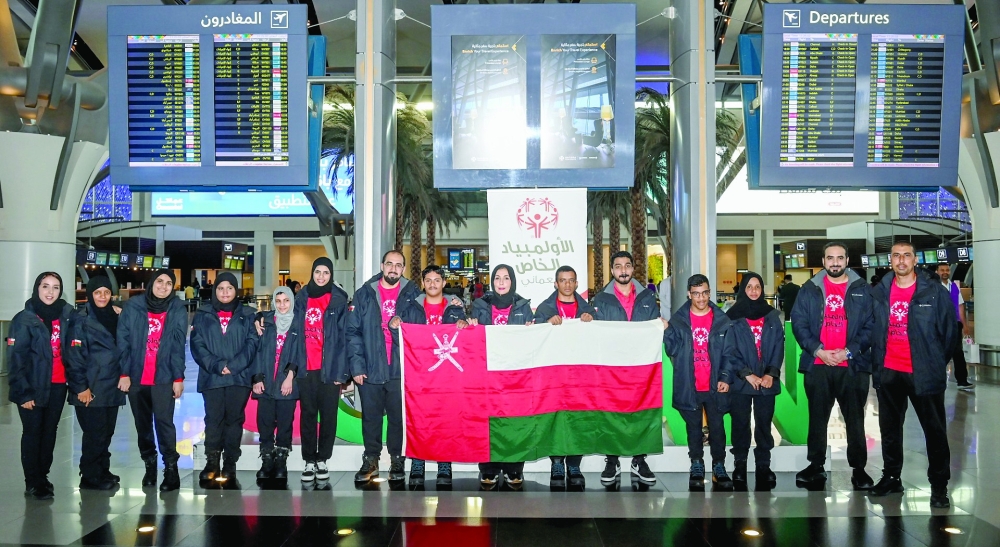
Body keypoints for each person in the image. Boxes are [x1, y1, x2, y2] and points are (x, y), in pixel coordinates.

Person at [869, 241, 956, 508]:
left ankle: (939, 486)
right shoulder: (880, 292)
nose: (901, 260)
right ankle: (892, 477)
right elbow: (873, 328)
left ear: (915, 260)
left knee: (935, 431)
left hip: (923, 374)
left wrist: (934, 363)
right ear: (890, 261)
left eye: (906, 255)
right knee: (890, 430)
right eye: (896, 256)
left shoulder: (933, 292)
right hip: (890, 372)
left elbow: (949, 332)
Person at [790, 242, 874, 490]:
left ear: (847, 260)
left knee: (855, 419)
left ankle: (859, 470)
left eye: (840, 258)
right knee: (817, 419)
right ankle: (816, 466)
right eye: (830, 258)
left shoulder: (863, 290)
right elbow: (799, 323)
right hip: (818, 364)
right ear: (824, 261)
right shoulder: (809, 290)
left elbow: (871, 325)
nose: (835, 262)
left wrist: (849, 351)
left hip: (853, 366)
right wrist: (819, 350)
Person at [348, 250, 420, 484]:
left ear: (403, 269)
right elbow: (353, 332)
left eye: (398, 265)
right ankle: (371, 459)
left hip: (400, 369)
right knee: (371, 417)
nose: (393, 268)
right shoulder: (364, 294)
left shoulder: (413, 294)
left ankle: (397, 459)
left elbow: (423, 327)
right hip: (370, 367)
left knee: (398, 418)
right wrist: (357, 366)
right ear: (382, 265)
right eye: (389, 264)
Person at [397, 264, 469, 488]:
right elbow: (401, 331)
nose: (432, 284)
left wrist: (464, 325)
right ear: (423, 283)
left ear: (444, 283)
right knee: (419, 417)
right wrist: (394, 325)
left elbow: (466, 339)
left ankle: (443, 463)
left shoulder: (456, 308)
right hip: (418, 374)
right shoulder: (412, 307)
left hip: (446, 377)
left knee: (444, 418)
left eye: (437, 280)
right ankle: (418, 462)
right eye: (428, 280)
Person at [662, 274, 736, 491]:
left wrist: (725, 377)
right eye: (696, 294)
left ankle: (719, 466)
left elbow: (730, 353)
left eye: (704, 293)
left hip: (714, 384)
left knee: (717, 428)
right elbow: (672, 350)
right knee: (693, 428)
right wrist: (667, 332)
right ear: (689, 294)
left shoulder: (722, 320)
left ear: (709, 292)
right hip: (690, 384)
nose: (701, 298)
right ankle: (696, 464)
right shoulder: (679, 320)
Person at [118, 269, 188, 492]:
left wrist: (178, 377)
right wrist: (124, 373)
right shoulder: (134, 307)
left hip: (163, 377)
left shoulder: (176, 308)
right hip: (137, 377)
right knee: (142, 425)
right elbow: (123, 341)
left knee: (165, 423)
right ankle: (149, 464)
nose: (163, 286)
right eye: (159, 281)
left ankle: (170, 467)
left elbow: (178, 346)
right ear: (151, 283)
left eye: (169, 283)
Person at [593, 251, 659, 486]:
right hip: (612, 368)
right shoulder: (600, 300)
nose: (623, 271)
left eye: (627, 266)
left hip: (641, 368)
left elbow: (654, 329)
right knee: (612, 411)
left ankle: (639, 459)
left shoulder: (648, 298)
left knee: (641, 410)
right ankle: (612, 460)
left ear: (633, 269)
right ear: (612, 270)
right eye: (618, 266)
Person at [8, 272, 75, 500]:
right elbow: (16, 359)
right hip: (32, 387)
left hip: (58, 385)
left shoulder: (66, 315)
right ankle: (32, 481)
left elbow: (90, 321)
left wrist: (116, 310)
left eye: (56, 287)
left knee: (50, 432)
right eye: (45, 286)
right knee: (33, 432)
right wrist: (23, 393)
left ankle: (43, 476)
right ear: (37, 288)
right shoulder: (24, 319)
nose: (50, 292)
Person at [282, 257, 350, 482]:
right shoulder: (301, 299)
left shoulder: (339, 301)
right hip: (306, 369)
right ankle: (309, 460)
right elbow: (287, 325)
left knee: (329, 416)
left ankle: (323, 459)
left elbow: (344, 339)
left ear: (331, 275)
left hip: (329, 369)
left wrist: (343, 374)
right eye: (318, 272)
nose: (321, 276)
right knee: (308, 416)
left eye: (326, 273)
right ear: (312, 273)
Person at [190, 272, 259, 485]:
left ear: (235, 290)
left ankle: (230, 462)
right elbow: (197, 344)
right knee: (213, 419)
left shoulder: (248, 314)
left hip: (239, 377)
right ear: (215, 290)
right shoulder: (202, 314)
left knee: (234, 420)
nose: (225, 292)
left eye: (229, 288)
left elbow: (252, 343)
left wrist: (234, 366)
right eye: (221, 288)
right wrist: (218, 366)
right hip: (212, 377)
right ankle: (212, 462)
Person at [468, 264, 534, 489]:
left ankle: (514, 467)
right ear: (492, 281)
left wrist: (531, 331)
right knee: (488, 422)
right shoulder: (479, 306)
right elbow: (471, 340)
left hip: (514, 376)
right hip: (486, 375)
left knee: (514, 421)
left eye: (506, 278)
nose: (502, 282)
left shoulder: (524, 307)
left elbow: (531, 344)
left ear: (513, 281)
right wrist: (471, 326)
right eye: (497, 278)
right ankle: (488, 468)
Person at [533, 265, 596, 489]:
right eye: (563, 280)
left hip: (580, 376)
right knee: (556, 418)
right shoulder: (544, 309)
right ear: (555, 283)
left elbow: (599, 341)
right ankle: (557, 463)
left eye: (571, 280)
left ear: (577, 283)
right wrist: (545, 324)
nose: (567, 284)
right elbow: (533, 337)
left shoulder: (589, 310)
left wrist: (592, 321)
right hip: (553, 375)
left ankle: (575, 464)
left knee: (577, 419)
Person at [65, 276, 126, 491]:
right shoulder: (81, 320)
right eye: (98, 292)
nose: (102, 296)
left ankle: (102, 469)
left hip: (111, 386)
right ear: (90, 294)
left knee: (107, 432)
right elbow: (73, 356)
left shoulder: (117, 316)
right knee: (95, 433)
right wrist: (80, 387)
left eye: (106, 292)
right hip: (90, 387)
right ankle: (90, 475)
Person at [723, 272, 783, 489]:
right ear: (743, 290)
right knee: (740, 424)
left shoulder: (772, 316)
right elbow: (728, 350)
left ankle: (763, 465)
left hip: (767, 382)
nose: (754, 291)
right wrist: (747, 374)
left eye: (758, 286)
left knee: (764, 424)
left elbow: (778, 347)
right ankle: (740, 464)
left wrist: (770, 374)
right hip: (741, 382)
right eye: (749, 287)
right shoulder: (732, 317)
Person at [251, 287, 298, 481]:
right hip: (266, 383)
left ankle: (281, 462)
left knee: (285, 424)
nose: (282, 305)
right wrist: (257, 378)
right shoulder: (266, 322)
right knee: (265, 423)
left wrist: (290, 376)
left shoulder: (298, 324)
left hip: (286, 383)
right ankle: (267, 460)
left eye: (286, 300)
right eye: (278, 301)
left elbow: (300, 353)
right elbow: (257, 352)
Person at [936, 263, 973, 390]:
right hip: (939, 325)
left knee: (958, 352)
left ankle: (962, 380)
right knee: (939, 352)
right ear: (937, 272)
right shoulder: (933, 287)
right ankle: (936, 379)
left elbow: (960, 306)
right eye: (942, 270)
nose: (945, 272)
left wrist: (964, 324)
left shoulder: (954, 287)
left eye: (947, 270)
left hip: (954, 324)